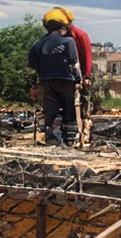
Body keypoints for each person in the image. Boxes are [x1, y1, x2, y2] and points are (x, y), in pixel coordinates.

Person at [28, 11, 81, 146]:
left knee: (51, 112)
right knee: (69, 109)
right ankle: (70, 141)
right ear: (62, 26)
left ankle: (53, 141)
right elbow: (73, 60)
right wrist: (79, 78)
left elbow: (33, 63)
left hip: (47, 82)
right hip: (66, 80)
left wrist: (43, 72)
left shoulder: (38, 44)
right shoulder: (69, 41)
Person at [49, 7, 93, 143]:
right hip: (57, 78)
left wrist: (85, 76)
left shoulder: (80, 36)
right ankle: (57, 136)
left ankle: (78, 136)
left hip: (75, 78)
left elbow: (86, 57)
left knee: (76, 107)